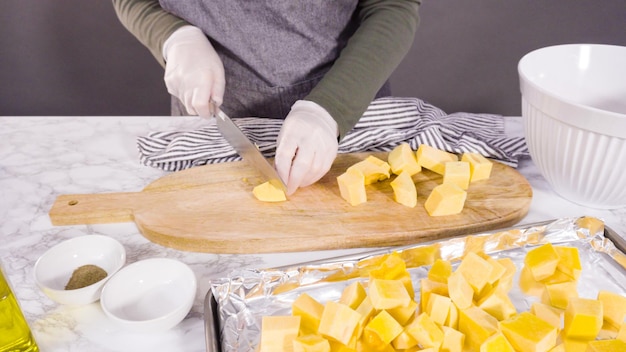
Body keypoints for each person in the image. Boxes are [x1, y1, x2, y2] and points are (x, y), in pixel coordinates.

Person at [112, 0, 421, 195]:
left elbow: (393, 5)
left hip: (346, 117)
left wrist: (331, 109)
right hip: (209, 126)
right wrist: (173, 36)